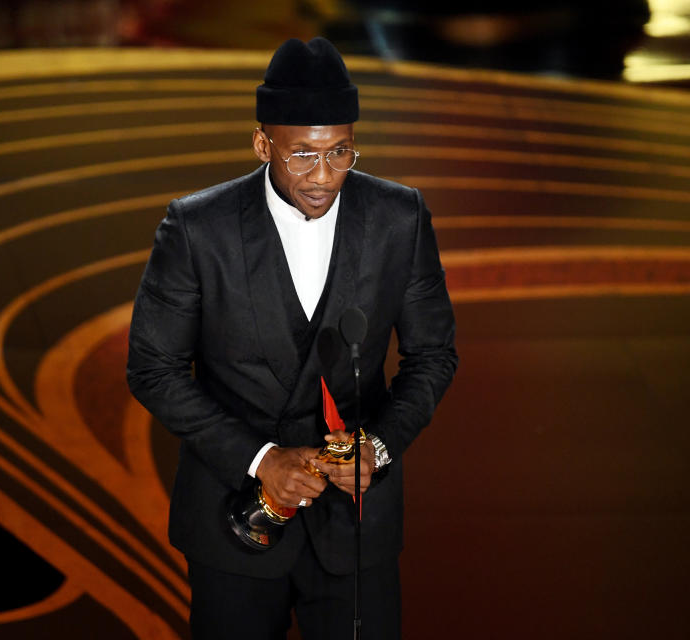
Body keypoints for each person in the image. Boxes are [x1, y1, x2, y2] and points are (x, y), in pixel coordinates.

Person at [127, 37, 458, 640]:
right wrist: (260, 460)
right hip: (237, 519)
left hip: (358, 526)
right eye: (302, 154)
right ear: (262, 144)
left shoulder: (400, 218)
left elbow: (433, 355)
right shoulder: (196, 228)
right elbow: (153, 368)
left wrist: (378, 449)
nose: (323, 177)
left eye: (340, 153)